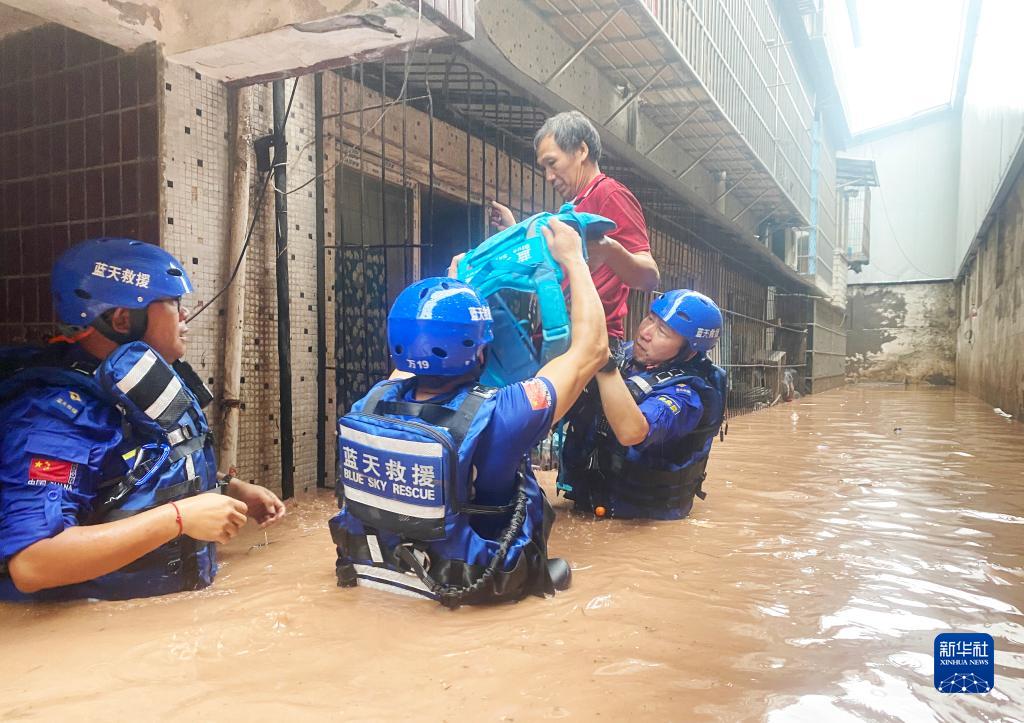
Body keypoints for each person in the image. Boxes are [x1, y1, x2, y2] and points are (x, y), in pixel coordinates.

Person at [329, 218, 607, 607]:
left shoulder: (371, 401)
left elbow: (418, 357)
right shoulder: (506, 413)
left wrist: (456, 285)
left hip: (377, 572)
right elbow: (592, 350)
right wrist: (575, 260)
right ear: (479, 350)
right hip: (466, 581)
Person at [0, 237, 285, 602]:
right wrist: (179, 518)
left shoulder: (137, 387)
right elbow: (34, 564)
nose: (185, 315)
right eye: (172, 303)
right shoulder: (56, 417)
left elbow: (134, 472)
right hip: (93, 641)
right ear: (122, 319)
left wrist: (227, 489)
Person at [489, 110, 660, 343]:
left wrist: (610, 250)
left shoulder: (610, 194)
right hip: (561, 336)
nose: (548, 176)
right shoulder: (575, 206)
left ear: (581, 151)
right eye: (544, 168)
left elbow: (650, 278)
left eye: (552, 163)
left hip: (590, 341)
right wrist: (513, 228)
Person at [560, 289, 728, 520]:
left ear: (689, 351)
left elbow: (633, 432)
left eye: (663, 331)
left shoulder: (688, 396)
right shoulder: (629, 355)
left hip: (641, 517)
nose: (645, 333)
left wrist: (604, 366)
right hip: (589, 502)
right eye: (650, 319)